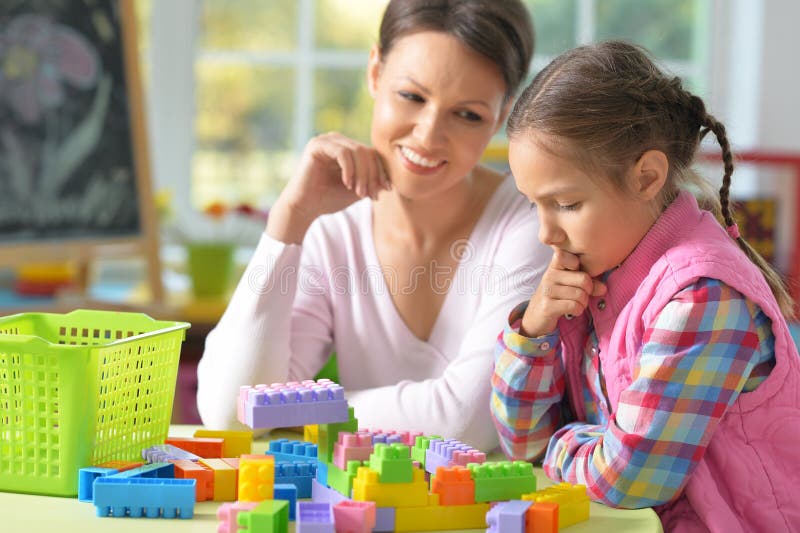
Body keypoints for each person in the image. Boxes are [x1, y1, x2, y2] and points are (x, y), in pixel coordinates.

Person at [197, 0, 551, 451]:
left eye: (468, 115)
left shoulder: (530, 225)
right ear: (375, 72)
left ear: (501, 116)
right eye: (412, 96)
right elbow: (231, 412)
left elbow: (467, 423)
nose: (428, 135)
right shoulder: (331, 229)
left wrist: (294, 411)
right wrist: (289, 221)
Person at [490, 40, 800, 530]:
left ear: (647, 177)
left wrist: (560, 444)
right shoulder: (594, 279)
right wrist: (533, 332)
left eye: (566, 204)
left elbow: (630, 479)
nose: (545, 233)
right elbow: (522, 445)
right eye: (534, 204)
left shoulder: (703, 296)